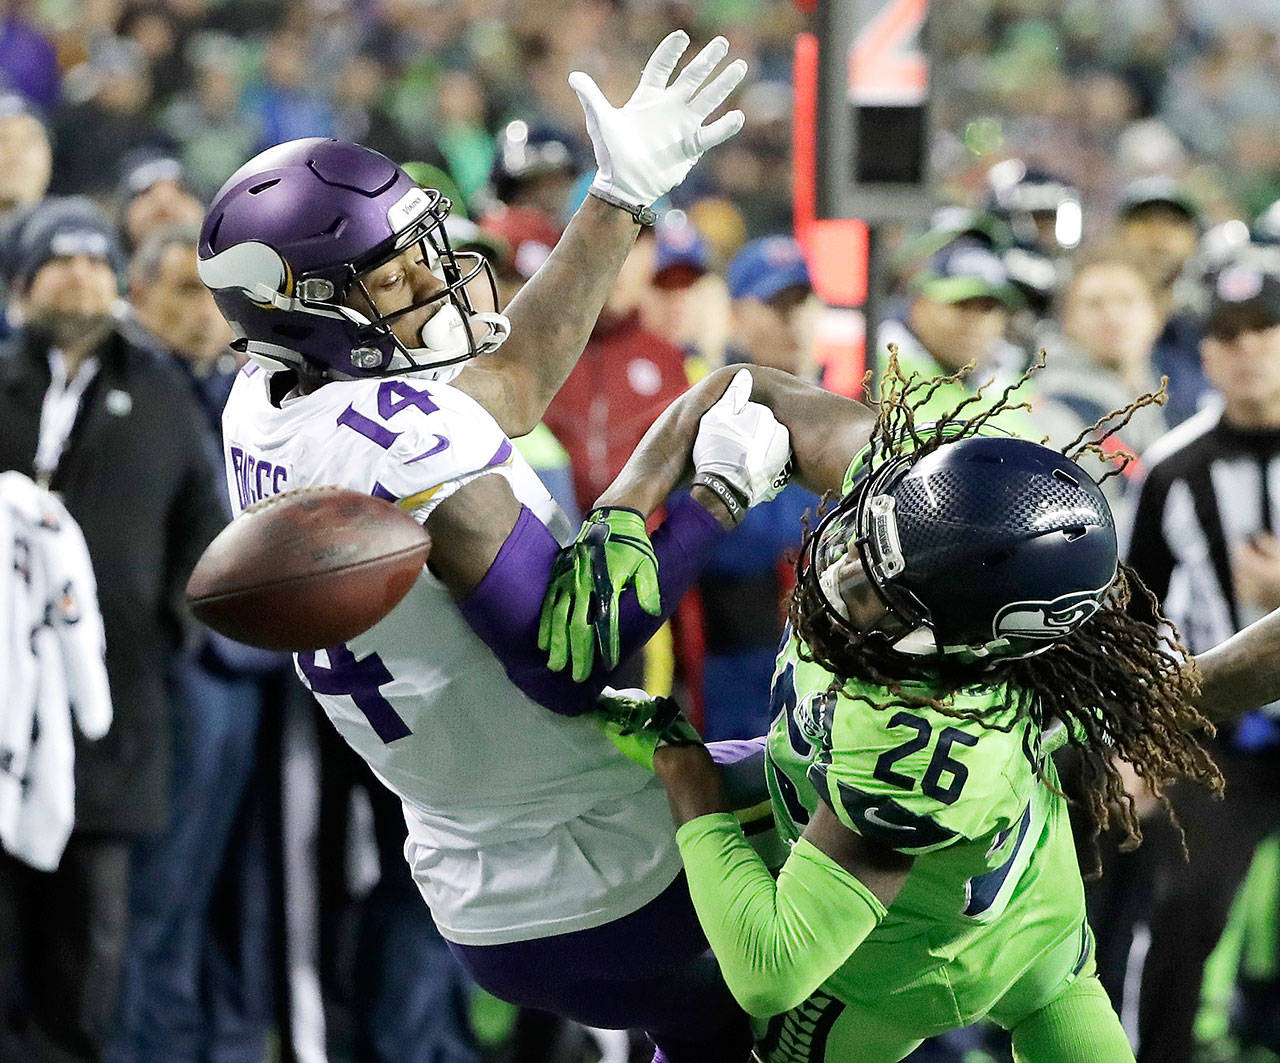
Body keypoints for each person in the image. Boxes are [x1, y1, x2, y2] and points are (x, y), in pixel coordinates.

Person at [196, 34, 796, 1063]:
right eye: (394, 277)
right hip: (595, 864)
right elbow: (571, 660)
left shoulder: (265, 400)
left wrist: (619, 195)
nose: (434, 279)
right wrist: (714, 496)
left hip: (482, 871)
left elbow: (512, 384)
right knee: (906, 857)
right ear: (306, 307)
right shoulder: (407, 446)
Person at [588, 356, 1224, 1063]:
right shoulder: (927, 509)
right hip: (1041, 921)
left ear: (969, 646)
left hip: (903, 970)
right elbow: (746, 388)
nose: (844, 572)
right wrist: (624, 503)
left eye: (886, 595)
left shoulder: (920, 736)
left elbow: (769, 970)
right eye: (868, 535)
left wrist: (695, 792)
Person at [0, 197, 226, 1061]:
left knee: (93, 929)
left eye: (95, 260)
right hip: (2, 702)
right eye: (57, 261)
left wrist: (168, 633)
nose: (80, 274)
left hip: (115, 710)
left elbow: (206, 535)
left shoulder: (162, 395)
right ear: (22, 285)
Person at [1116, 262, 1280, 1063]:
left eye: (1264, 330)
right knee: (1185, 911)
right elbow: (1134, 615)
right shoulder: (1176, 469)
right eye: (1228, 335)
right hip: (1221, 731)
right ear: (1205, 355)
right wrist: (1135, 742)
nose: (1248, 349)